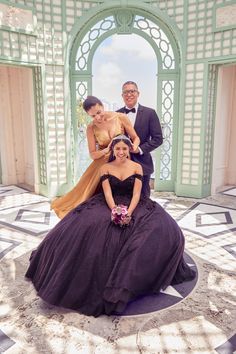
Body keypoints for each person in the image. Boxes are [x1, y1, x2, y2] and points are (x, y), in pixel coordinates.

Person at [25, 134, 195, 317]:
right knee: (87, 226)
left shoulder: (137, 167)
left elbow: (137, 194)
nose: (121, 152)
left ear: (129, 149)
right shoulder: (105, 167)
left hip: (134, 203)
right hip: (109, 202)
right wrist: (114, 210)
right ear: (113, 150)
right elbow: (107, 192)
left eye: (124, 148)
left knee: (164, 228)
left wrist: (128, 213)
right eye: (117, 149)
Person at [51, 96, 140, 219]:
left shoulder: (120, 117)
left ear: (102, 106)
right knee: (86, 196)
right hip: (101, 163)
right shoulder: (91, 128)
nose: (97, 117)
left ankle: (123, 212)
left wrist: (133, 147)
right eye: (93, 116)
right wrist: (106, 150)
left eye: (99, 112)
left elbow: (135, 138)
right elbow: (93, 154)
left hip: (121, 160)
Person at [117, 81, 163, 197]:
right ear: (122, 96)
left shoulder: (150, 113)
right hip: (120, 165)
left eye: (132, 91)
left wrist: (140, 149)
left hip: (143, 163)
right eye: (126, 92)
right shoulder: (116, 114)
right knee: (123, 198)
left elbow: (158, 139)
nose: (129, 94)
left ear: (138, 94)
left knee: (143, 199)